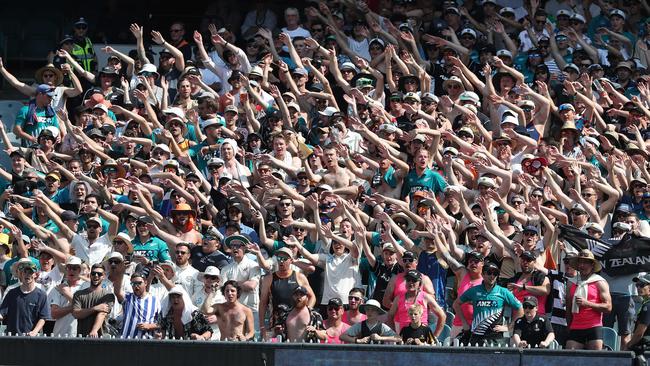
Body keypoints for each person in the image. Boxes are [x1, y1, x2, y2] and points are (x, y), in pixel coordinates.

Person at [454, 261, 524, 346]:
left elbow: (520, 309)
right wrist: (464, 323)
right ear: (483, 274)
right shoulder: (474, 290)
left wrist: (509, 326)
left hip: (496, 337)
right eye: (489, 273)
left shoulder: (503, 291)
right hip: (477, 335)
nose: (492, 276)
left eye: (495, 274)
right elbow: (456, 304)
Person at [566, 250, 612, 350]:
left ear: (592, 265)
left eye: (586, 262)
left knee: (594, 360)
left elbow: (608, 307)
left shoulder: (600, 282)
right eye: (580, 262)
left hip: (593, 327)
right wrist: (569, 327)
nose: (582, 265)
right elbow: (568, 309)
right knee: (569, 359)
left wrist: (588, 304)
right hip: (575, 327)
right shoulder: (571, 283)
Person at [387, 270, 446, 336]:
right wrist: (394, 334)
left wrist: (435, 336)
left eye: (414, 280)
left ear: (420, 284)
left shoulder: (425, 297)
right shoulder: (398, 298)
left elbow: (442, 315)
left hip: (422, 338)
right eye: (408, 280)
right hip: (404, 337)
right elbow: (390, 316)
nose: (411, 283)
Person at [0, 260, 50, 335]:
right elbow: (2, 314)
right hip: (12, 338)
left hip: (31, 338)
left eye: (30, 272)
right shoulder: (11, 293)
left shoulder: (41, 295)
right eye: (24, 272)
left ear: (35, 275)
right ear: (21, 274)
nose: (27, 275)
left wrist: (34, 332)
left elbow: (43, 318)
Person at [72, 264, 115, 337]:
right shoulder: (78, 294)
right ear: (90, 275)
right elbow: (76, 314)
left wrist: (94, 330)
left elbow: (102, 314)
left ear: (104, 276)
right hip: (81, 336)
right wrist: (95, 308)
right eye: (93, 273)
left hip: (100, 337)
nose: (96, 275)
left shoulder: (108, 295)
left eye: (99, 274)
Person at [114, 272, 160, 339]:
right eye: (133, 284)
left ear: (145, 283)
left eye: (139, 283)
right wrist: (121, 271)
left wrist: (149, 326)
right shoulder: (128, 297)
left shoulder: (154, 300)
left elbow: (162, 323)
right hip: (127, 340)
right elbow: (117, 292)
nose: (136, 286)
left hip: (147, 342)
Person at [49, 256, 87, 337]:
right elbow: (54, 314)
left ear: (79, 270)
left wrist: (66, 293)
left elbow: (86, 309)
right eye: (69, 267)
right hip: (60, 334)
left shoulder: (86, 287)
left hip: (80, 335)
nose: (71, 270)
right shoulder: (58, 288)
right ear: (66, 269)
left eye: (75, 268)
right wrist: (76, 307)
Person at [627, 274, 650, 352]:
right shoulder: (646, 303)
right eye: (637, 285)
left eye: (642, 285)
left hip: (646, 348)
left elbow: (639, 333)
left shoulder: (648, 305)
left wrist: (628, 346)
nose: (638, 288)